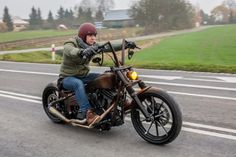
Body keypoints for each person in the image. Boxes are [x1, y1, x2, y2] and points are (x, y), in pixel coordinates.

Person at [59, 22, 136, 125]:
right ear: (83, 35)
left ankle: (117, 101)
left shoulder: (93, 46)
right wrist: (82, 52)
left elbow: (108, 46)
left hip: (84, 75)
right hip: (67, 77)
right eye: (90, 35)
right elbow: (70, 51)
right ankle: (86, 112)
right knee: (78, 84)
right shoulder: (71, 43)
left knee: (106, 77)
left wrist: (125, 44)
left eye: (94, 35)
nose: (93, 38)